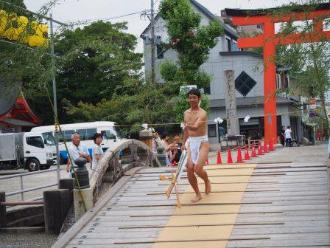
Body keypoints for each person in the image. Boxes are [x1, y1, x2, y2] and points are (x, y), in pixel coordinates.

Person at [182, 88, 211, 203]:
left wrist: (185, 125)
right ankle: (197, 194)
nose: (192, 99)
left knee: (197, 169)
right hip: (191, 141)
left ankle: (206, 180)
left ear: (199, 98)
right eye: (190, 97)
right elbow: (186, 131)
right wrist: (183, 143)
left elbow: (195, 127)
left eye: (194, 97)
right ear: (188, 99)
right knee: (189, 168)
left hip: (202, 142)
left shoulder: (203, 113)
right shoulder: (186, 113)